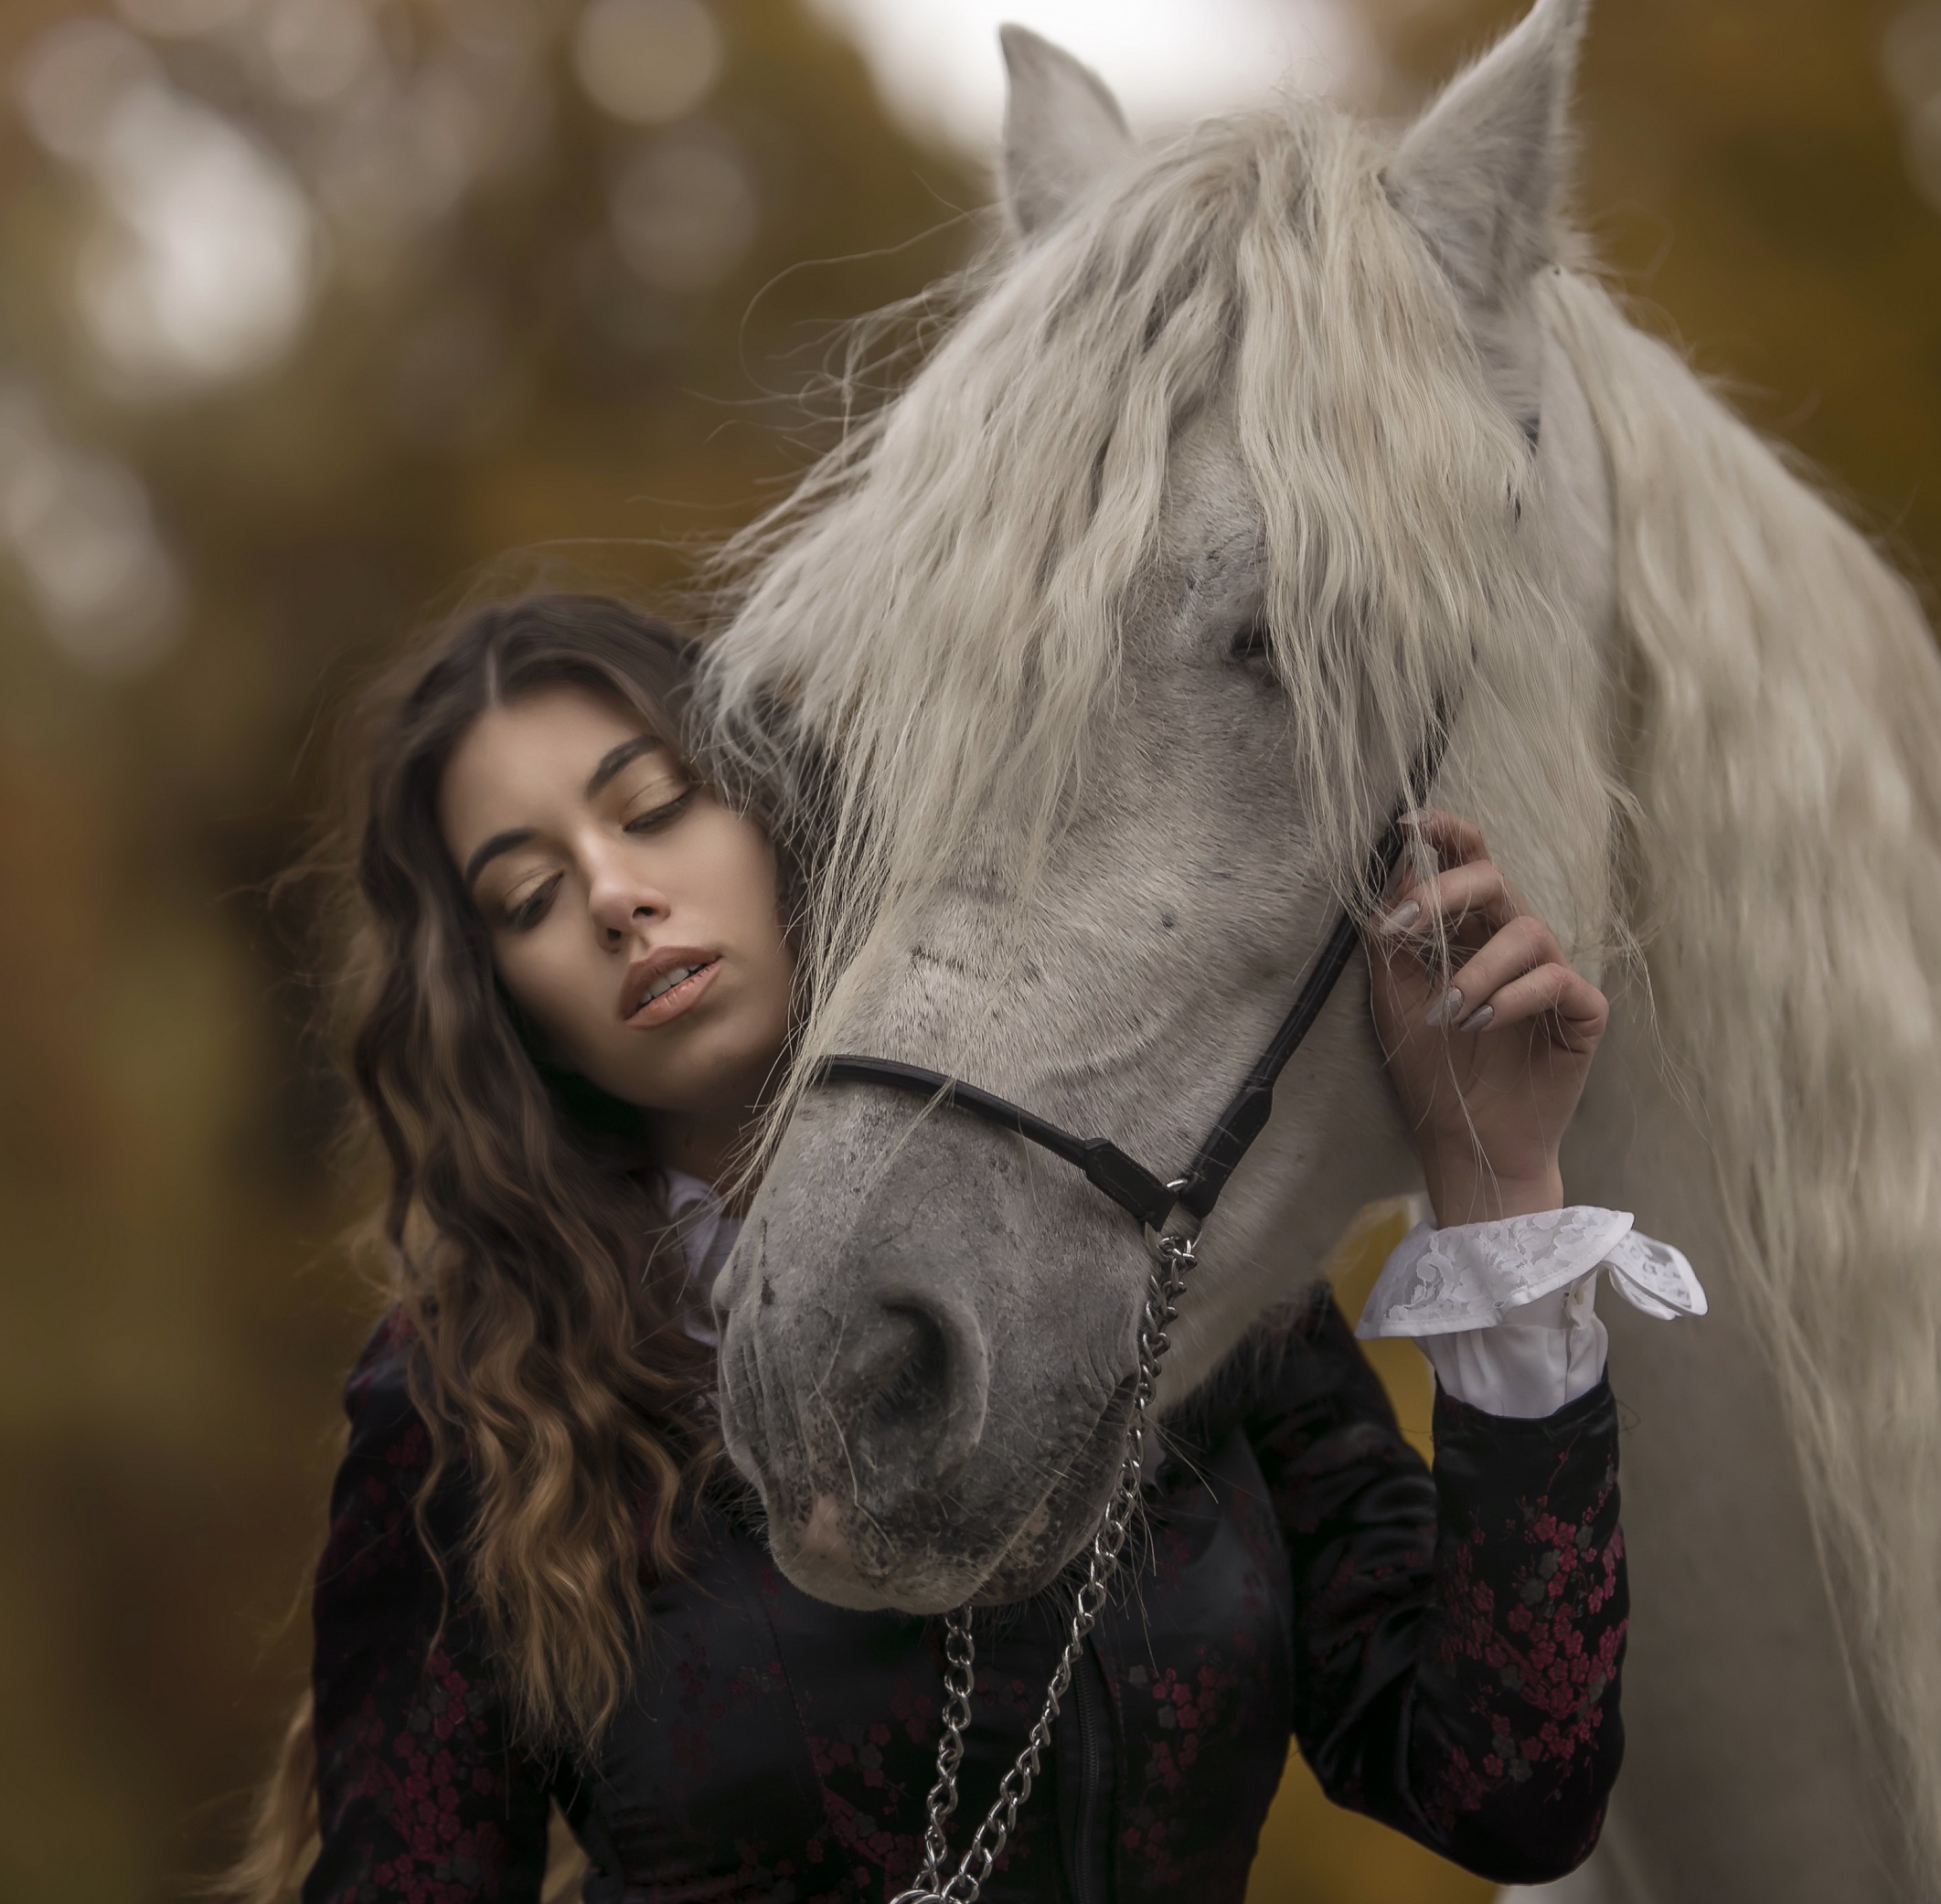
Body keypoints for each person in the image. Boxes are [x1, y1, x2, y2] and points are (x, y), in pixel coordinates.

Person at [223, 592, 1702, 1904]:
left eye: (655, 807)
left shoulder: (1164, 1259)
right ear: (505, 1006)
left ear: (773, 813)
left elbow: (1513, 1782)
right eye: (530, 899)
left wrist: (1494, 1181)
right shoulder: (469, 1395)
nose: (616, 896)